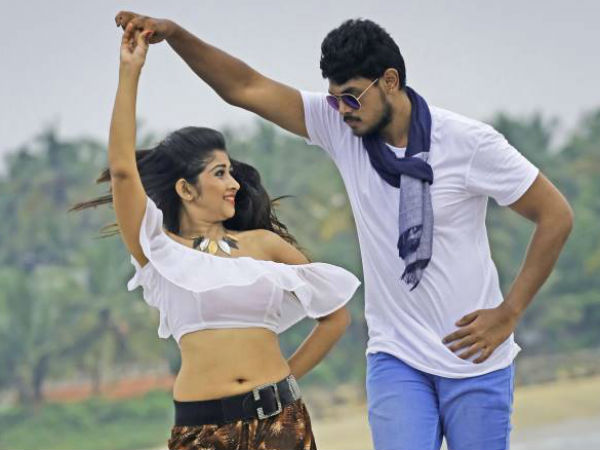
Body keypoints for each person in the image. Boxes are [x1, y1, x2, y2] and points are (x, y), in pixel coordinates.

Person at [113, 12, 574, 450]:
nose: (341, 110)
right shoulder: (340, 128)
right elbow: (244, 86)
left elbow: (555, 215)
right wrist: (176, 36)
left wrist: (510, 311)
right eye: (333, 99)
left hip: (475, 356)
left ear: (389, 81)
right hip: (397, 357)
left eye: (351, 97)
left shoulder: (468, 144)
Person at [73, 26, 361, 450]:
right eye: (220, 173)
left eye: (231, 172)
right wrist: (130, 72)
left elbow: (335, 316)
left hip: (281, 423)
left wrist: (285, 380)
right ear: (186, 189)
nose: (234, 184)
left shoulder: (265, 245)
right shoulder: (158, 250)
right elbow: (122, 171)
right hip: (202, 432)